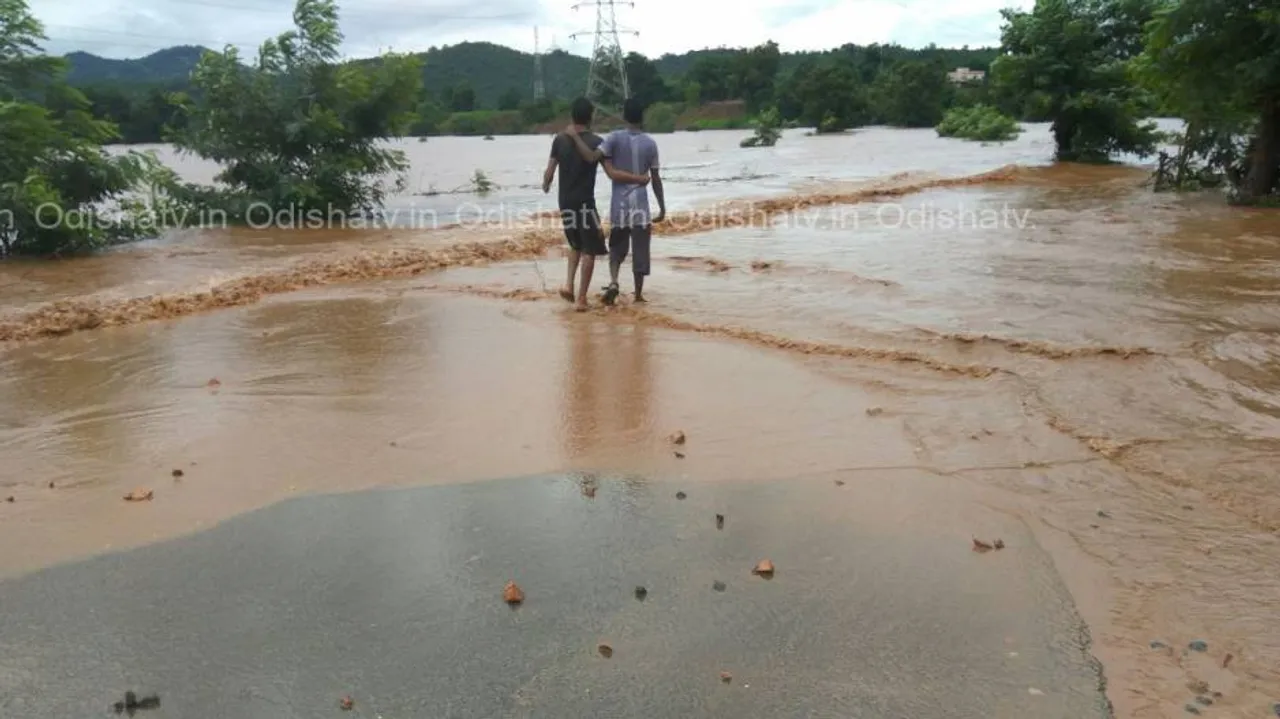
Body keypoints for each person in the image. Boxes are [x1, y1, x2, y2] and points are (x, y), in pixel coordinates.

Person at [543, 97, 650, 311]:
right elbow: (610, 172)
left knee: (575, 244)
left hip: (564, 201)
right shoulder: (596, 142)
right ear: (591, 117)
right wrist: (638, 179)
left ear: (572, 115)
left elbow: (549, 171)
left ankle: (569, 286)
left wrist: (546, 183)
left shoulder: (560, 139)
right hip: (585, 202)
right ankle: (581, 298)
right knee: (590, 250)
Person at [565, 97, 665, 305]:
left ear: (624, 116)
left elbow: (591, 158)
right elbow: (655, 179)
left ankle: (613, 282)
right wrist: (662, 206)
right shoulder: (650, 143)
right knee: (640, 250)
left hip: (619, 204)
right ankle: (637, 295)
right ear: (642, 117)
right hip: (641, 207)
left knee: (617, 248)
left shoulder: (613, 138)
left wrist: (574, 137)